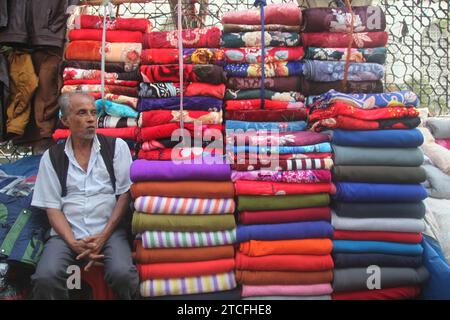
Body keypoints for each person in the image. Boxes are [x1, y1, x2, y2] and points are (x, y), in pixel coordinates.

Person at [30, 92, 139, 299]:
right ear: (65, 120)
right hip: (67, 234)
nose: (91, 119)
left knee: (122, 273)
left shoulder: (116, 147)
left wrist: (104, 236)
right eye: (82, 113)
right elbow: (52, 208)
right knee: (46, 277)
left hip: (109, 231)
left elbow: (125, 195)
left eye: (93, 112)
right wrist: (72, 242)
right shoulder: (52, 157)